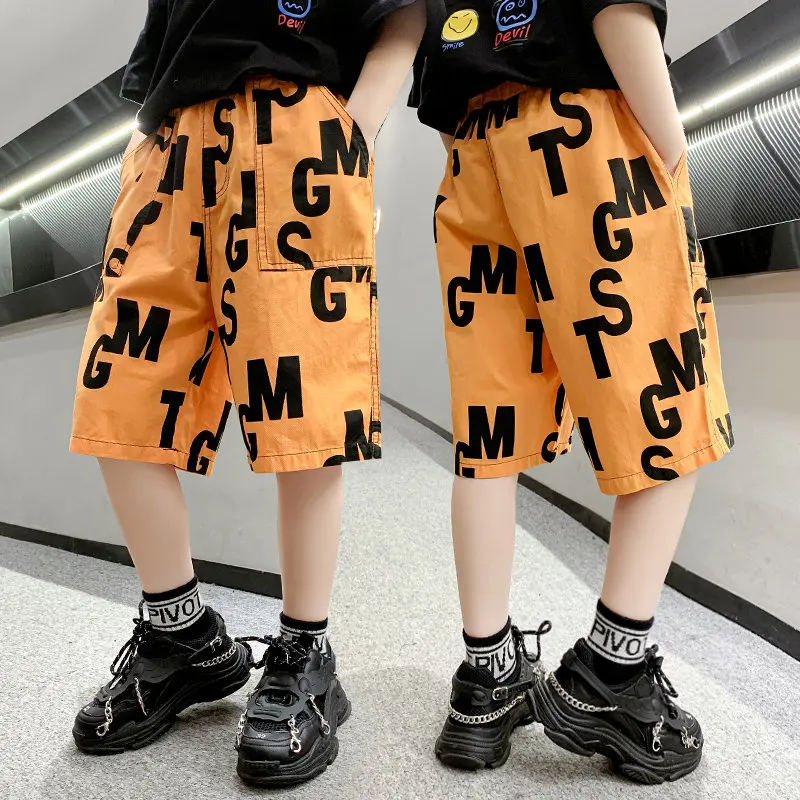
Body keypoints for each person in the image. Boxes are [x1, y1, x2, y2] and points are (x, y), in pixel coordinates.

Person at [69, 0, 425, 788]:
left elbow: (405, 12)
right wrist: (141, 153)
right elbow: (160, 50)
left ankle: (305, 651)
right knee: (118, 397)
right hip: (169, 147)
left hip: (297, 133)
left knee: (305, 414)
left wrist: (356, 132)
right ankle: (180, 633)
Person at [412, 0, 732, 784]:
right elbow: (613, 7)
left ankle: (485, 681)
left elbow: (437, 69)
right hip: (589, 133)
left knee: (488, 436)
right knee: (669, 411)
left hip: (476, 156)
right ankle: (611, 672)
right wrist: (669, 150)